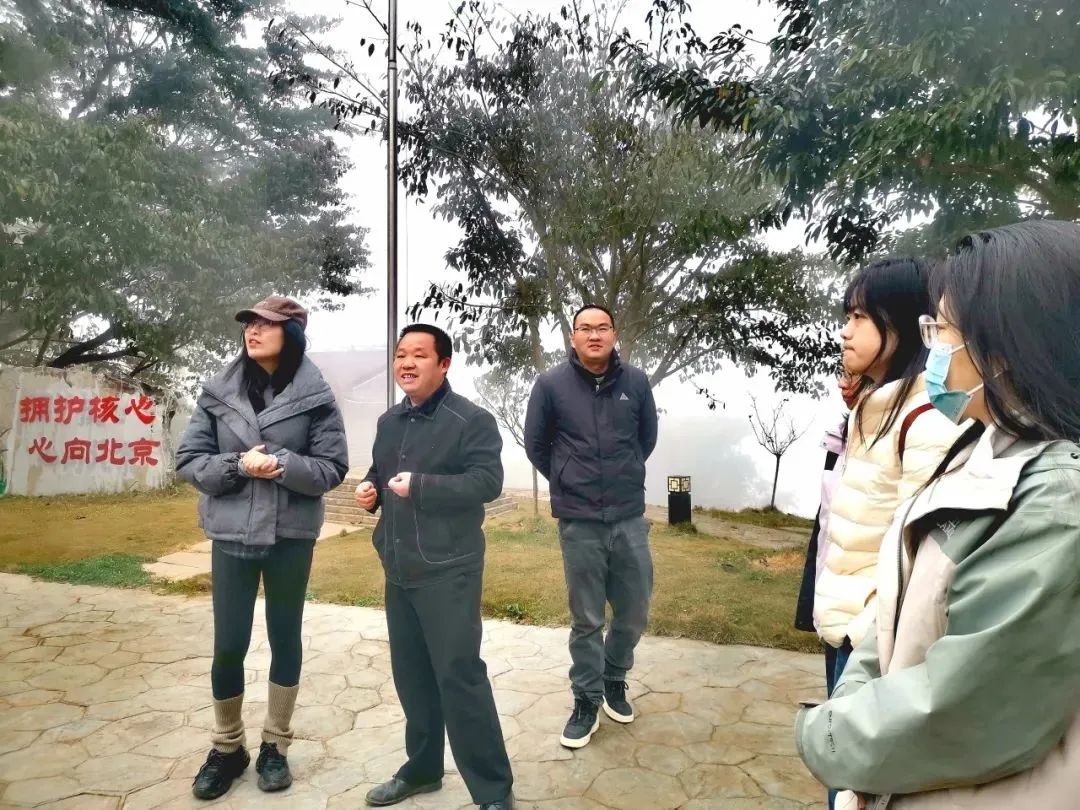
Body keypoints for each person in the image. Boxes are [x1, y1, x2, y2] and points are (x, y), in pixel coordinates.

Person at [798, 219, 1080, 810]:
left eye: (942, 329)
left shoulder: (1054, 499)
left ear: (1008, 343)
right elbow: (910, 590)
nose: (935, 349)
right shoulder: (983, 444)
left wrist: (828, 732)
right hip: (879, 680)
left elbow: (965, 705)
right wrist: (855, 697)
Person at [176, 295, 348, 800]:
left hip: (290, 536)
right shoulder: (218, 391)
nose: (253, 330)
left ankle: (276, 744)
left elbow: (332, 468)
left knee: (284, 638)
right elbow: (189, 460)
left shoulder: (317, 396)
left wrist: (279, 462)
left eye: (266, 324)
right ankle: (228, 747)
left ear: (290, 334)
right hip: (231, 534)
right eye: (249, 323)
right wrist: (235, 465)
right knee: (228, 643)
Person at [355, 324, 514, 810]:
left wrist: (420, 486)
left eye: (419, 355)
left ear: (444, 364)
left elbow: (487, 482)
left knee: (459, 677)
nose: (406, 363)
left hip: (449, 570)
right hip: (399, 568)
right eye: (401, 354)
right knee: (412, 678)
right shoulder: (389, 422)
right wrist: (370, 491)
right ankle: (423, 769)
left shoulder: (471, 420)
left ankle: (493, 790)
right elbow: (383, 473)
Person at [814, 259, 966, 700]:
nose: (845, 332)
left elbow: (924, 556)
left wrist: (866, 629)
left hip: (872, 639)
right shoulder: (874, 407)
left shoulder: (926, 420)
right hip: (845, 623)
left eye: (860, 317)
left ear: (903, 323)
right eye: (848, 316)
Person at [523, 304, 658, 749]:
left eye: (602, 327)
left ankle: (614, 677)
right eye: (585, 328)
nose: (594, 335)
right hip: (579, 522)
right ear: (573, 336)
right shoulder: (550, 385)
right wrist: (568, 478)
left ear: (614, 334)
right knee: (586, 618)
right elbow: (536, 444)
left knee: (634, 610)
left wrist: (623, 474)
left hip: (628, 517)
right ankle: (586, 699)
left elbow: (646, 440)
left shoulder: (636, 383)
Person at [793, 373, 856, 637]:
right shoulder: (841, 437)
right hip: (830, 587)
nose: (842, 383)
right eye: (843, 374)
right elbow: (825, 522)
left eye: (853, 376)